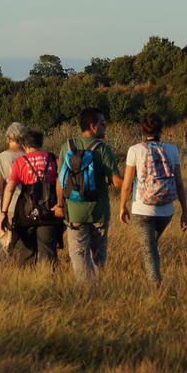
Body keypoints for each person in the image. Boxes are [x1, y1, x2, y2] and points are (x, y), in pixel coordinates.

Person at [119, 113, 187, 286]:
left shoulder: (135, 150)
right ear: (161, 130)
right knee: (151, 246)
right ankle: (155, 280)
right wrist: (185, 212)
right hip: (166, 210)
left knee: (149, 251)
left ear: (143, 130)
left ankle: (155, 288)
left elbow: (127, 185)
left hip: (142, 209)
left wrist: (122, 206)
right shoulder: (172, 149)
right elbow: (179, 183)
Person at [54, 108, 124, 284]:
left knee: (78, 253)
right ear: (93, 126)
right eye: (103, 124)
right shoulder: (102, 149)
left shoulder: (67, 147)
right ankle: (97, 286)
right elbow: (117, 182)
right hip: (99, 211)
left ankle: (87, 287)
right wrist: (135, 177)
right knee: (98, 254)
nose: (105, 127)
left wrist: (60, 205)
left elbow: (60, 181)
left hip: (74, 211)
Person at [0, 129, 64, 269]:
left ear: (24, 145)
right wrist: (61, 205)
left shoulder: (20, 161)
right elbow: (62, 182)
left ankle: (26, 281)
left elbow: (10, 188)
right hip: (50, 212)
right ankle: (48, 281)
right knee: (48, 252)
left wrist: (3, 213)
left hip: (26, 213)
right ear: (41, 143)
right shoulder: (53, 159)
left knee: (26, 251)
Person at [0, 122, 26, 259]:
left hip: (8, 206)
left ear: (7, 139)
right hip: (27, 206)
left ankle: (0, 271)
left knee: (5, 243)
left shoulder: (1, 158)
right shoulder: (29, 156)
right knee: (26, 242)